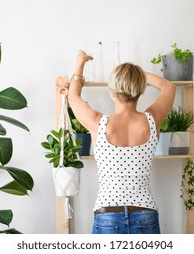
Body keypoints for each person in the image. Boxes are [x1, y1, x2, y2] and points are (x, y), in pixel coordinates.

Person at [68, 50, 176, 234]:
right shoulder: (152, 120)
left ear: (112, 92)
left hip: (107, 215)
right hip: (145, 214)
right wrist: (136, 74)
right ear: (140, 90)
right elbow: (168, 87)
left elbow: (73, 97)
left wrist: (80, 63)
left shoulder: (97, 123)